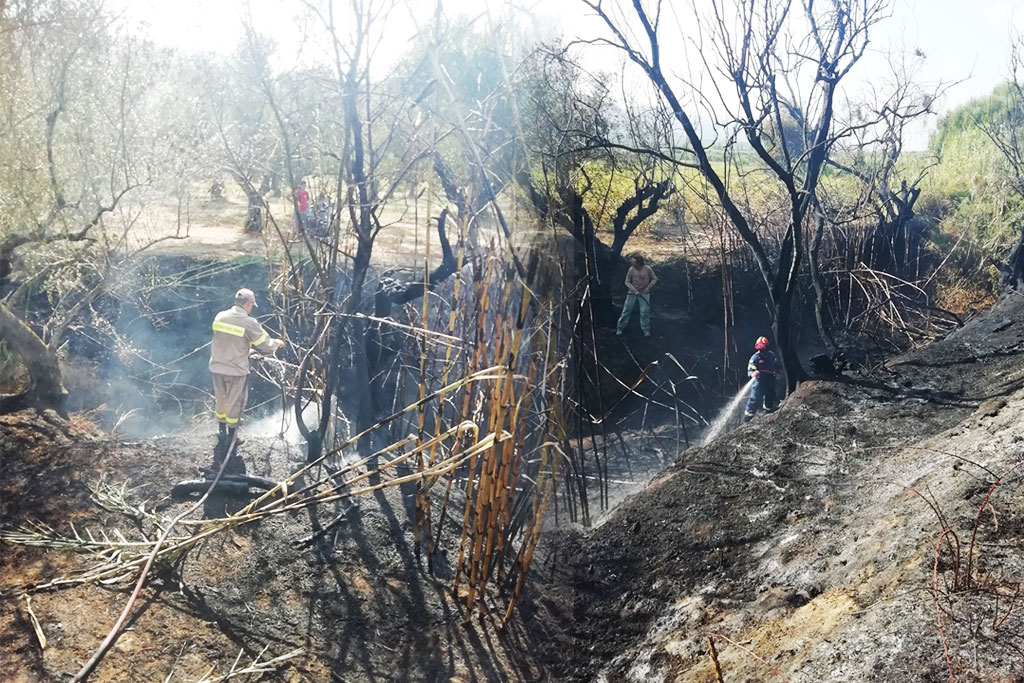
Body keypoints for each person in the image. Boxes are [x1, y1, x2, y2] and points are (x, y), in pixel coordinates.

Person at [209, 288, 283, 472]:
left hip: (217, 367)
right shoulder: (249, 322)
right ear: (249, 304)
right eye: (252, 305)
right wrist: (278, 343)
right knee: (235, 403)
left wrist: (246, 350)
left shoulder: (220, 317)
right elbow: (266, 346)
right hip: (235, 371)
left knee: (221, 400)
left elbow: (228, 341)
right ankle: (232, 438)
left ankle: (221, 432)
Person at [616, 253, 658, 337]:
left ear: (639, 263)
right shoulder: (631, 269)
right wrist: (634, 290)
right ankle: (620, 327)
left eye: (634, 262)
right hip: (632, 293)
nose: (632, 263)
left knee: (644, 311)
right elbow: (627, 281)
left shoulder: (647, 269)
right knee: (626, 310)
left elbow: (654, 279)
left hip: (644, 293)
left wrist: (648, 288)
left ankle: (646, 329)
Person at [743, 336, 779, 422]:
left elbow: (776, 365)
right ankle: (747, 417)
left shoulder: (771, 355)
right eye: (759, 346)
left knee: (770, 395)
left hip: (770, 379)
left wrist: (775, 372)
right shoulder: (755, 358)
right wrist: (752, 374)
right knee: (754, 398)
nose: (761, 349)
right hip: (759, 380)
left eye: (762, 346)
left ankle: (768, 410)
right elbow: (750, 370)